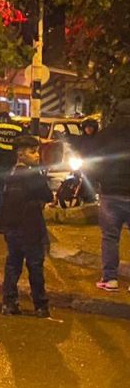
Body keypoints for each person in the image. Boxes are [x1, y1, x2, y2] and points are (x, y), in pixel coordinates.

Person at [0, 135, 52, 317]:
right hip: (30, 227)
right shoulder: (31, 174)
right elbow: (47, 195)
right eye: (33, 152)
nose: (37, 156)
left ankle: (9, 302)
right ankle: (40, 304)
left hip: (12, 227)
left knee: (13, 264)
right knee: (35, 265)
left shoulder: (9, 174)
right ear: (20, 155)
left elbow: (1, 202)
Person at [85, 99, 130, 291]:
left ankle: (110, 279)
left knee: (110, 237)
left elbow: (92, 163)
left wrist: (97, 182)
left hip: (110, 193)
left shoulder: (105, 136)